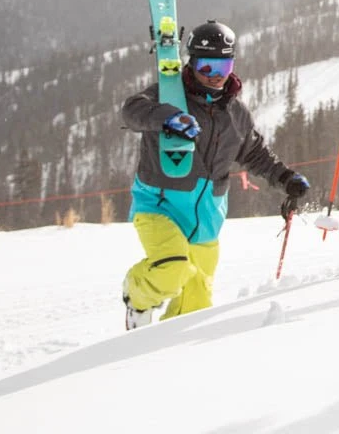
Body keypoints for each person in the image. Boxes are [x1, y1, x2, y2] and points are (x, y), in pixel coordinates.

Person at [119, 19, 309, 329]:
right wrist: (167, 117)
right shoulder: (169, 95)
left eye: (223, 66)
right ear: (192, 63)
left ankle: (169, 349)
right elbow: (131, 111)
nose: (215, 75)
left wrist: (286, 178)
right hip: (159, 207)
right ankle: (137, 297)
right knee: (172, 268)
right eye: (206, 66)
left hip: (207, 218)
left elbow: (254, 154)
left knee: (195, 307)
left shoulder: (236, 114)